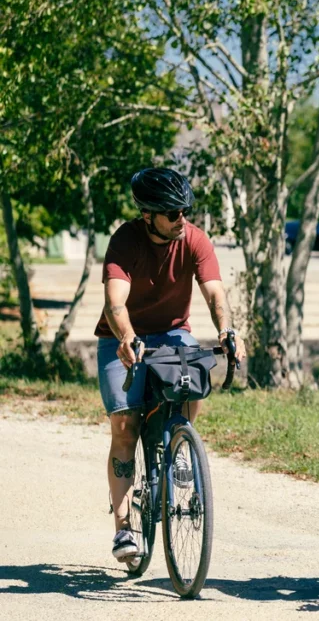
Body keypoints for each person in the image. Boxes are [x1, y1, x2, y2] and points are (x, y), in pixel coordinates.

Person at [95, 167, 246, 563]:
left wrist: (227, 330)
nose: (182, 218)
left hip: (172, 333)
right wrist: (127, 336)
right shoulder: (126, 241)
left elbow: (214, 291)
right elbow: (115, 303)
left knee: (194, 373)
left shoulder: (194, 238)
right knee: (125, 427)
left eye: (184, 210)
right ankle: (124, 529)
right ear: (148, 215)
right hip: (120, 336)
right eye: (172, 213)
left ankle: (181, 442)